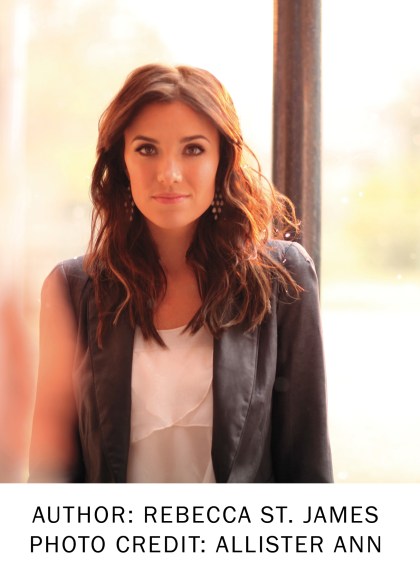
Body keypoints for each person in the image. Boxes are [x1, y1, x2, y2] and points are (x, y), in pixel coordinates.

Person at [29, 63, 333, 483]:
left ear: (222, 160)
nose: (169, 174)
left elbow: (307, 467)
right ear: (121, 161)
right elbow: (51, 478)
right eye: (146, 149)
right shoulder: (71, 289)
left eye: (193, 149)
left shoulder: (282, 277)